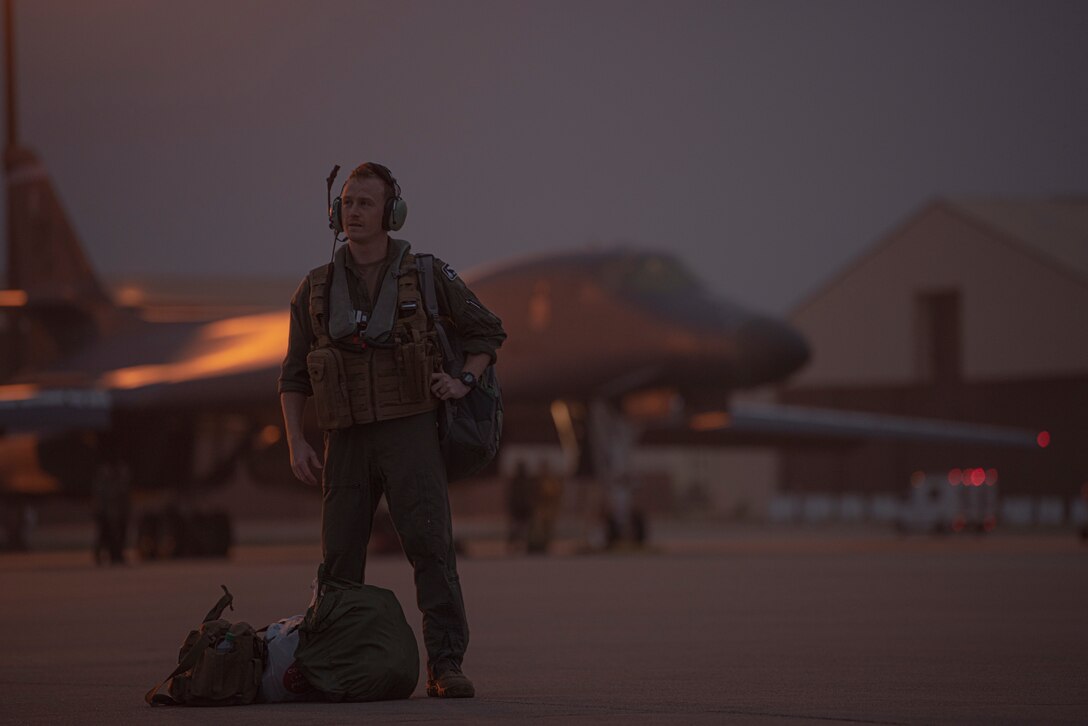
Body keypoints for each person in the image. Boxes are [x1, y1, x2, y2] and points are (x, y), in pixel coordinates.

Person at [278, 162, 505, 699]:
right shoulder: (314, 289)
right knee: (338, 561)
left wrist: (462, 380)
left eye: (365, 203)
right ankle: (336, 664)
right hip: (346, 440)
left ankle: (445, 665)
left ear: (391, 213)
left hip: (410, 434)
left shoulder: (427, 274)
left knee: (430, 549)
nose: (353, 212)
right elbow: (292, 373)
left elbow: (487, 332)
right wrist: (295, 438)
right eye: (347, 203)